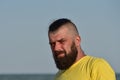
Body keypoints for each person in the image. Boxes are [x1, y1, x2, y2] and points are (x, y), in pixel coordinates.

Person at [48, 18, 116, 80]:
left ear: (77, 41)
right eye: (52, 44)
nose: (56, 48)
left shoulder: (97, 67)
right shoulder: (58, 76)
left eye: (61, 41)